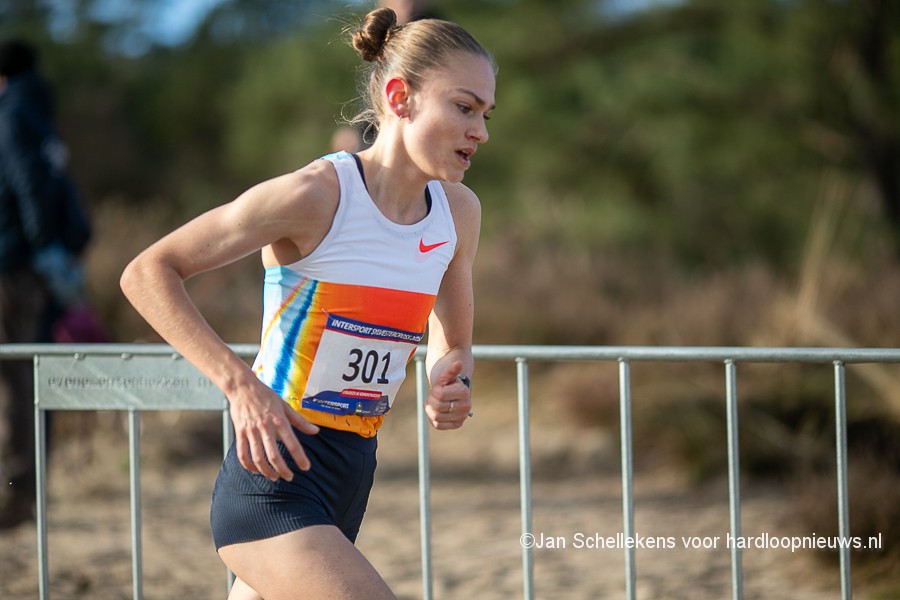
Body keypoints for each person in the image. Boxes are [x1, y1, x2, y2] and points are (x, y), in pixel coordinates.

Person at [120, 7, 495, 599]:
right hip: (273, 480)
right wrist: (240, 387)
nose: (481, 132)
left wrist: (452, 381)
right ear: (400, 98)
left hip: (353, 473)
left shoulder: (458, 214)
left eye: (486, 114)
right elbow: (147, 273)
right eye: (464, 108)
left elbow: (453, 345)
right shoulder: (315, 196)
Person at [0, 38, 92, 529]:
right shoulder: (37, 113)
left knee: (16, 379)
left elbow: (28, 186)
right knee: (27, 377)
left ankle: (16, 497)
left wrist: (40, 249)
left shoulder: (13, 115)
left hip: (14, 267)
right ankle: (25, 490)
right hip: (34, 266)